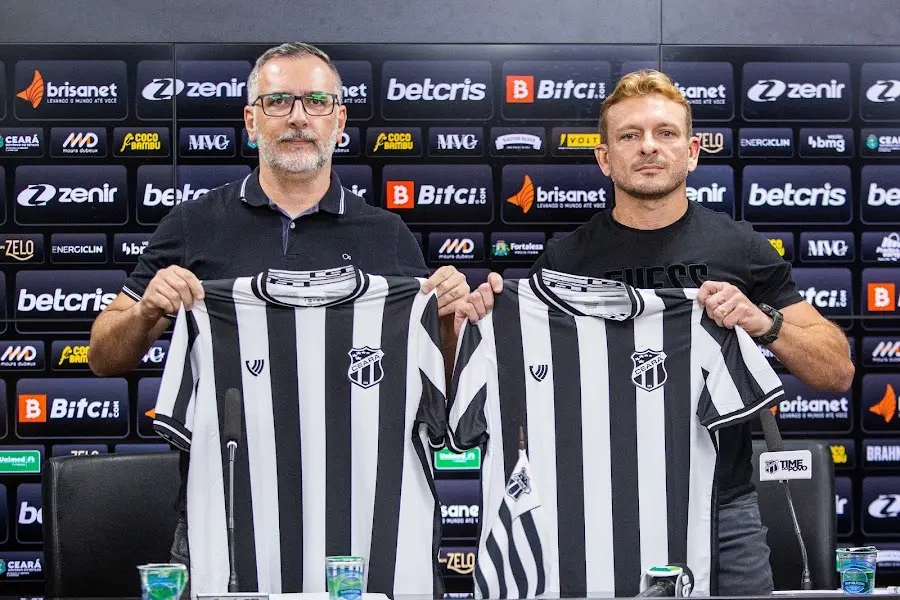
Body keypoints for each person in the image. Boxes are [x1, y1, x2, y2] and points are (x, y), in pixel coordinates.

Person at [457, 69, 854, 596]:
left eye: (665, 133)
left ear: (691, 152)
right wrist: (482, 315)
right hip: (594, 507)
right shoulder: (563, 261)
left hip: (721, 509)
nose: (649, 147)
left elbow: (837, 371)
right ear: (605, 158)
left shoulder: (738, 248)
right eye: (630, 135)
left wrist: (764, 322)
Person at [89, 42, 469, 582]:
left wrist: (448, 323)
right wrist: (147, 310)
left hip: (357, 517)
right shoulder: (192, 224)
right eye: (278, 101)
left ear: (339, 120)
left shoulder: (387, 236)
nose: (298, 117)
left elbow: (438, 385)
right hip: (226, 518)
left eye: (316, 101)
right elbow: (102, 357)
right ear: (251, 121)